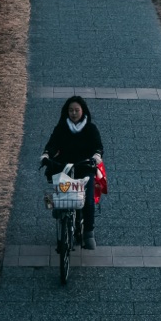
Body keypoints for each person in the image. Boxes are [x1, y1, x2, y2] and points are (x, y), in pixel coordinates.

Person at [40, 95, 104, 249]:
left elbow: (98, 146)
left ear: (83, 111)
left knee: (88, 200)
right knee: (59, 195)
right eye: (71, 110)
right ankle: (59, 211)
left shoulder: (90, 128)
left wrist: (96, 156)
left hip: (85, 167)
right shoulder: (61, 127)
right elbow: (52, 144)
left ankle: (89, 232)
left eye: (76, 110)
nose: (73, 113)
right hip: (65, 166)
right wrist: (46, 154)